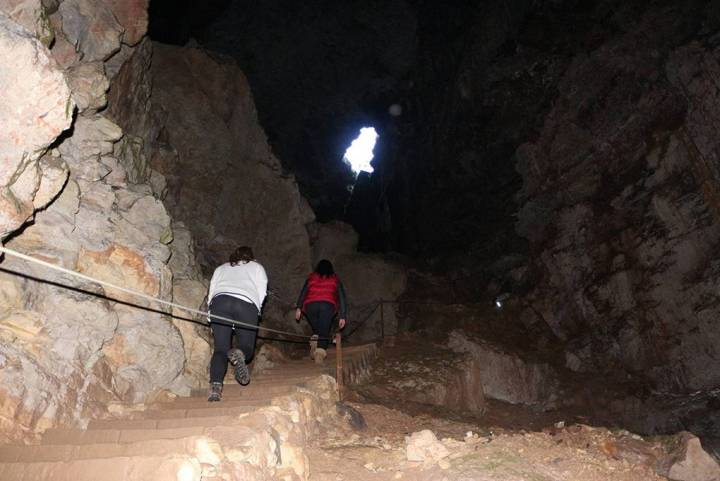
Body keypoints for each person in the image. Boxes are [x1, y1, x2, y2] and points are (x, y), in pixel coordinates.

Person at [207, 246, 267, 402]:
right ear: (251, 257)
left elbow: (212, 289)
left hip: (220, 302)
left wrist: (209, 313)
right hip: (246, 303)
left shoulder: (221, 268)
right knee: (246, 347)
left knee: (220, 348)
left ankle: (215, 388)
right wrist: (256, 311)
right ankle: (239, 353)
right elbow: (262, 290)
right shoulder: (257, 267)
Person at [295, 259, 347, 363]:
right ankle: (319, 353)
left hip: (310, 306)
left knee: (319, 328)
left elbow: (304, 292)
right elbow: (341, 297)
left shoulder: (311, 277)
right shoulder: (335, 278)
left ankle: (315, 342)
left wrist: (299, 308)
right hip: (327, 305)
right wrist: (343, 316)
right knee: (323, 330)